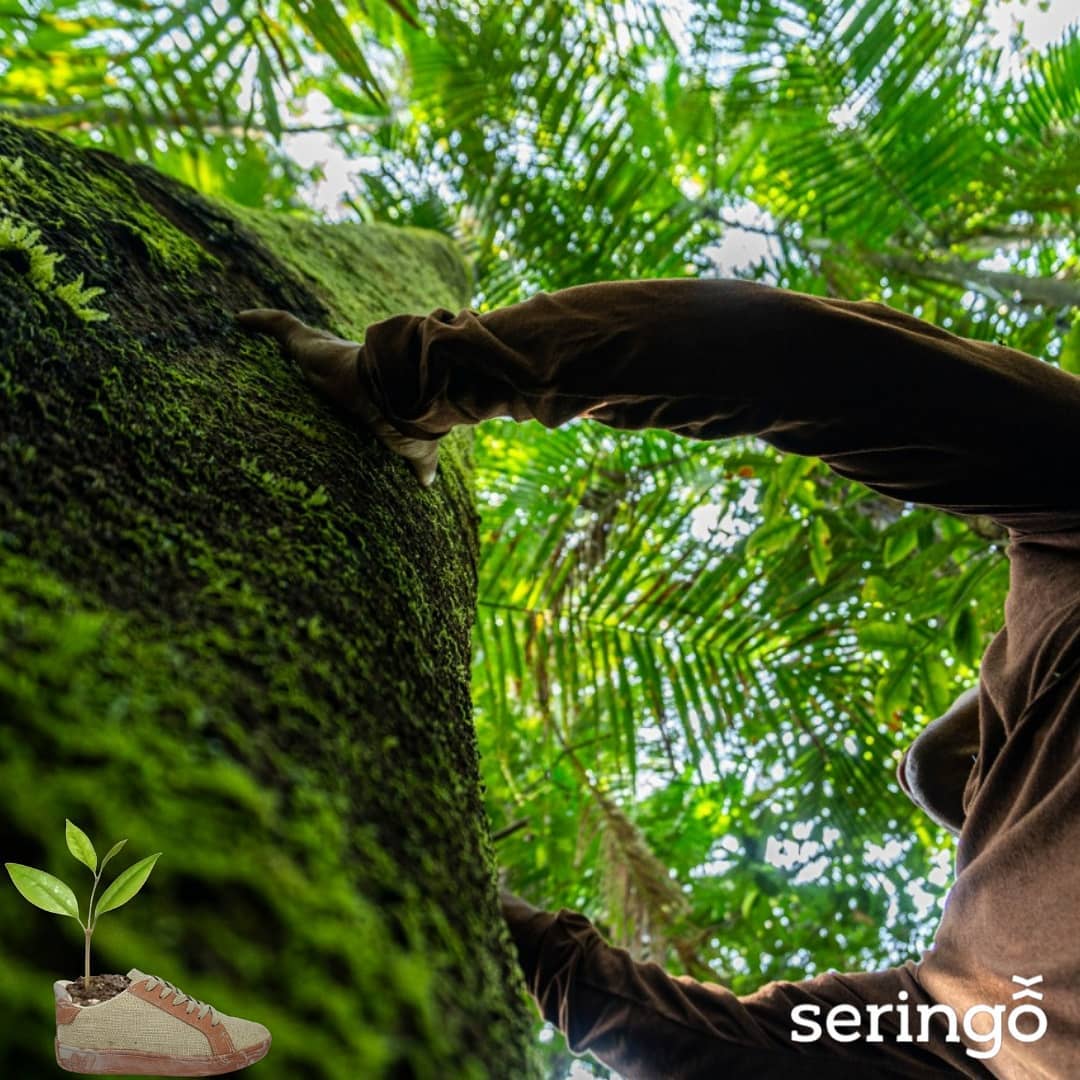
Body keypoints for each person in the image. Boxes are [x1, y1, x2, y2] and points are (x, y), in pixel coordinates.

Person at [237, 277, 1080, 1078]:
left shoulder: (985, 1015)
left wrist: (417, 378)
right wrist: (477, 916)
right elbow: (719, 1052)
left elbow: (806, 364)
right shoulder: (985, 1018)